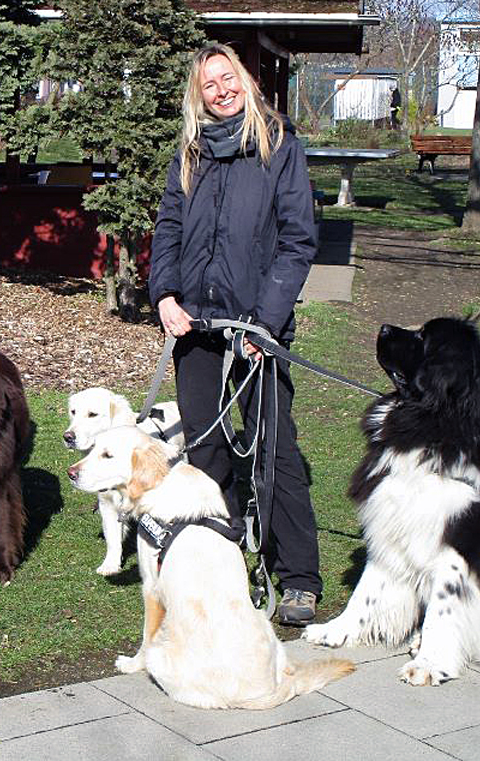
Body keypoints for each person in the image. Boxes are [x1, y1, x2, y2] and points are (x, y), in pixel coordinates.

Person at [148, 43, 321, 626]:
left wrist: (265, 322)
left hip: (257, 330)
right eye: (208, 86)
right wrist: (165, 295)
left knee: (274, 448)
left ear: (243, 81)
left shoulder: (278, 145)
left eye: (227, 79)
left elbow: (298, 241)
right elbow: (168, 227)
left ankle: (297, 577)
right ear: (197, 97)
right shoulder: (191, 154)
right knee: (207, 452)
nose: (220, 91)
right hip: (195, 328)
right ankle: (215, 569)